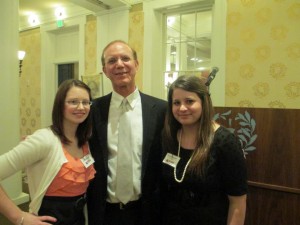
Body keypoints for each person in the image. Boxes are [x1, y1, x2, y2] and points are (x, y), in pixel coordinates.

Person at [86, 40, 167, 225]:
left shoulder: (161, 110)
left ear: (136, 65)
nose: (119, 64)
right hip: (104, 212)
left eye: (125, 58)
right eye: (112, 60)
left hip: (146, 211)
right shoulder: (92, 110)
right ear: (105, 70)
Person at [0, 79, 96, 225]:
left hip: (78, 218)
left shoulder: (84, 141)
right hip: (49, 218)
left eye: (85, 102)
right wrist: (18, 217)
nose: (81, 107)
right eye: (73, 101)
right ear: (60, 105)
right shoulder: (44, 139)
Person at [161, 75, 248, 225]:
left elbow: (238, 203)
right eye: (176, 103)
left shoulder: (224, 141)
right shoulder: (169, 137)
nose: (182, 108)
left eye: (189, 101)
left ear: (204, 102)